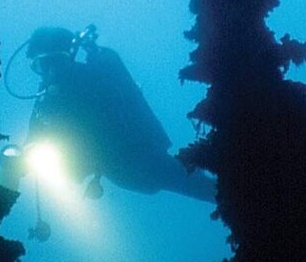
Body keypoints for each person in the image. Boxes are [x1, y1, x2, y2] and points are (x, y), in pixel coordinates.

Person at [14, 25, 216, 203]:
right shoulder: (46, 98)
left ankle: (233, 192)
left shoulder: (93, 78)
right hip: (117, 172)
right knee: (195, 185)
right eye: (41, 66)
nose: (51, 72)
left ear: (69, 57)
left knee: (200, 187)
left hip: (141, 159)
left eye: (56, 62)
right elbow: (33, 138)